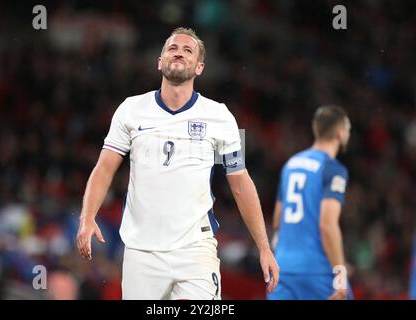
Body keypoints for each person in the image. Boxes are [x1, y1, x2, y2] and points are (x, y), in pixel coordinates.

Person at [76, 27, 279, 300]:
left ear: (200, 67)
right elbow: (104, 169)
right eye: (172, 48)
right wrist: (87, 218)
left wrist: (264, 247)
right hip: (141, 251)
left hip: (195, 249)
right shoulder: (130, 109)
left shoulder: (221, 116)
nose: (179, 53)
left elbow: (241, 182)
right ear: (160, 61)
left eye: (188, 50)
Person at [268, 105, 353, 300]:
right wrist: (340, 272)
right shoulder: (333, 169)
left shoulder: (291, 164)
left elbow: (276, 220)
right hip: (317, 271)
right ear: (340, 134)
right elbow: (327, 224)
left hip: (283, 269)